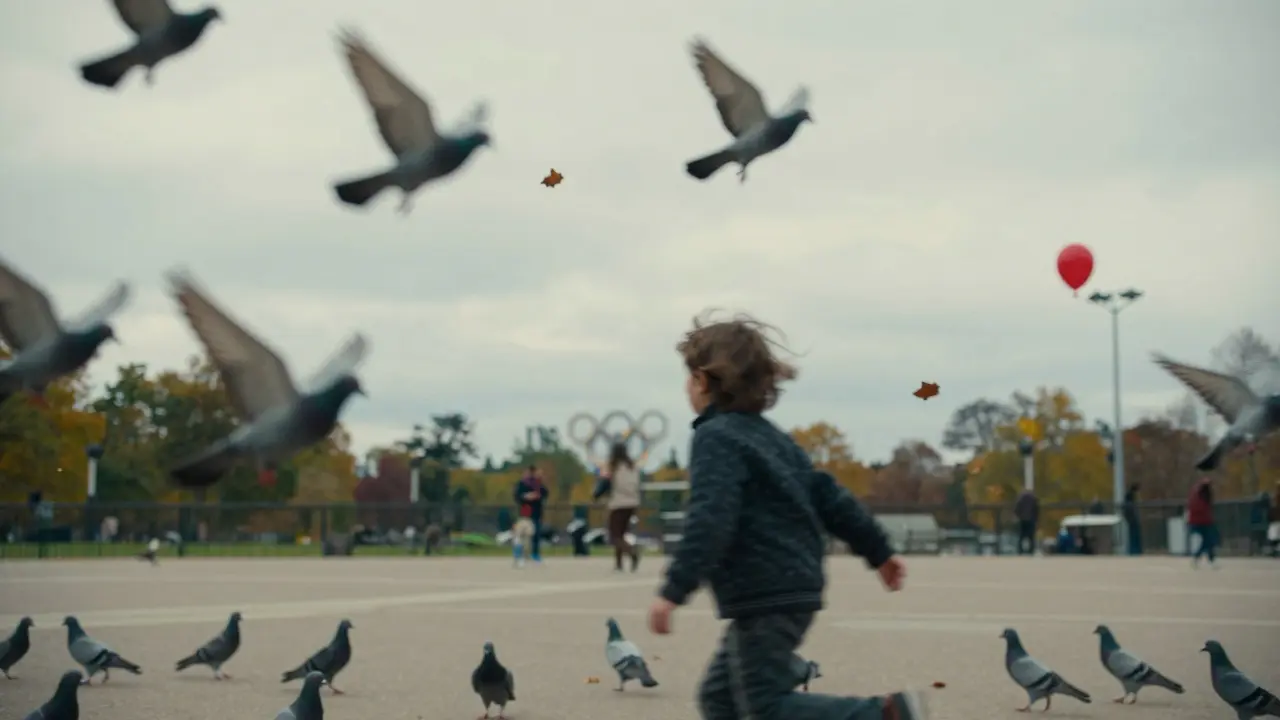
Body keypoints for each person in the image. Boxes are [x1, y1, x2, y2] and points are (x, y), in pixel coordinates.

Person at [646, 312, 929, 720]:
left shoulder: (715, 438)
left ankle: (883, 715)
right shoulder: (773, 438)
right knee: (718, 699)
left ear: (704, 382)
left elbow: (711, 519)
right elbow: (829, 497)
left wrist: (673, 590)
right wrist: (878, 551)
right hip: (793, 585)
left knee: (766, 706)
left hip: (765, 593)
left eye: (689, 377)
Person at [597, 441, 646, 573]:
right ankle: (618, 564)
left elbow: (604, 484)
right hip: (633, 503)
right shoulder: (632, 466)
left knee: (614, 535)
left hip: (618, 503)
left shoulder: (613, 467)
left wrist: (597, 495)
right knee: (622, 533)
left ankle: (632, 553)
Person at [513, 464, 550, 564]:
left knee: (536, 534)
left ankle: (535, 554)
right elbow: (517, 496)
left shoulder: (538, 484)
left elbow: (545, 494)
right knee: (521, 534)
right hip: (524, 513)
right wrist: (525, 497)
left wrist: (537, 494)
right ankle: (519, 554)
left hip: (536, 512)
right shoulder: (522, 484)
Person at [1187, 476, 1218, 568]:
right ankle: (1202, 558)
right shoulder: (1200, 496)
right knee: (1208, 540)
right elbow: (1201, 509)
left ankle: (1207, 558)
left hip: (1200, 521)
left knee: (1208, 541)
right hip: (1201, 522)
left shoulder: (1196, 494)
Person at [1014, 488, 1039, 556]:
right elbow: (1036, 509)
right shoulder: (1033, 498)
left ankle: (1020, 550)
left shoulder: (1021, 498)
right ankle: (1031, 550)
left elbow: (1017, 508)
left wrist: (1018, 515)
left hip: (1023, 519)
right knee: (1031, 536)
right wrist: (1036, 518)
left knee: (1021, 536)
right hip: (1031, 519)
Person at [1122, 484, 1142, 556]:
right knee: (1134, 535)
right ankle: (1135, 550)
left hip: (1131, 520)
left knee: (1132, 536)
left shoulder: (1128, 501)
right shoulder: (1131, 503)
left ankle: (1133, 550)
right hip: (1133, 520)